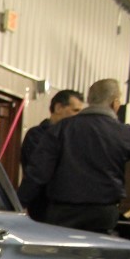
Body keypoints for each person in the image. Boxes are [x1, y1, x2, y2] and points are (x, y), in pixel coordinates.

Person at [17, 78, 130, 234]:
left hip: (62, 213)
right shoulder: (123, 133)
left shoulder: (60, 129)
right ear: (115, 103)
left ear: (89, 100)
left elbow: (37, 173)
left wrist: (16, 204)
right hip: (102, 215)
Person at [19, 89, 83, 221]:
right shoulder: (36, 136)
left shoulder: (74, 138)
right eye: (75, 110)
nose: (78, 117)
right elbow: (37, 172)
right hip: (42, 208)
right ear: (58, 108)